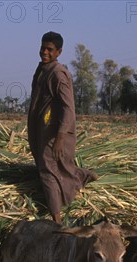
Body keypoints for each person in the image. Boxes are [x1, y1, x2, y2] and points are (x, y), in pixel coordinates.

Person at [27, 31, 97, 224]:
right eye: (43, 47)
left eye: (50, 49)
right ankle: (82, 176)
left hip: (55, 132)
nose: (44, 52)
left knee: (47, 171)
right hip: (43, 130)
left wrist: (59, 137)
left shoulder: (58, 74)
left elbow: (68, 109)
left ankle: (56, 222)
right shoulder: (42, 69)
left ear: (59, 52)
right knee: (57, 167)